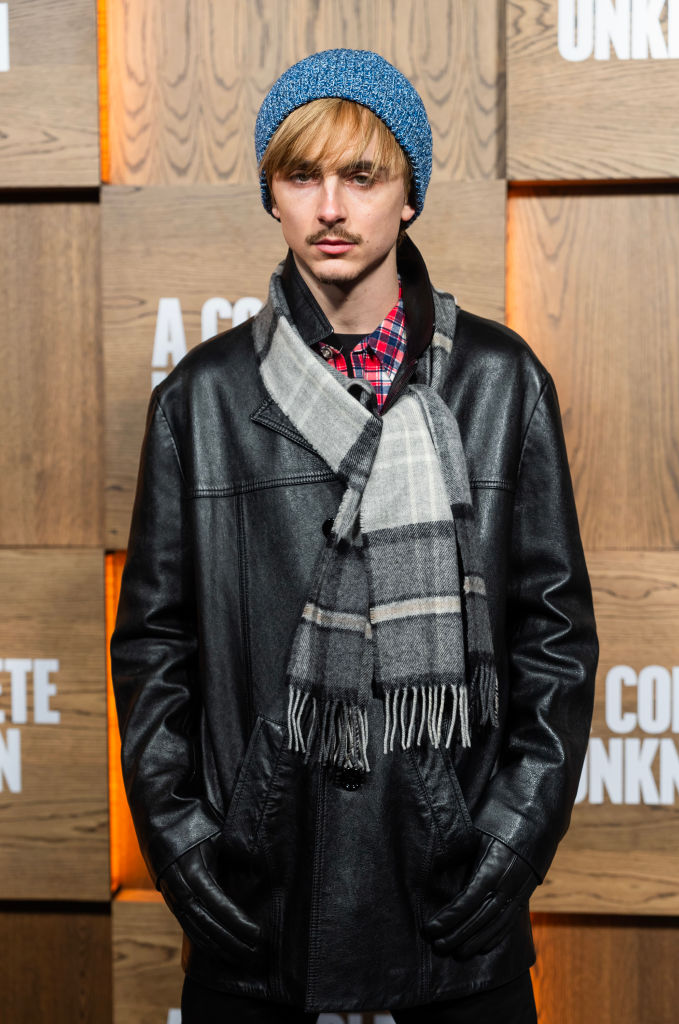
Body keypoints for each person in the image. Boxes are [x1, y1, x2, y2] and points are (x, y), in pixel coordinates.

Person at [111, 48, 598, 1024]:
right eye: (302, 176)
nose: (330, 207)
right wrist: (183, 846)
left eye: (362, 176)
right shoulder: (201, 399)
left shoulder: (499, 382)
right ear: (272, 195)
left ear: (408, 195)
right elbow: (155, 650)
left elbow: (554, 642)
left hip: (447, 902)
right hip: (261, 907)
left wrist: (509, 842)